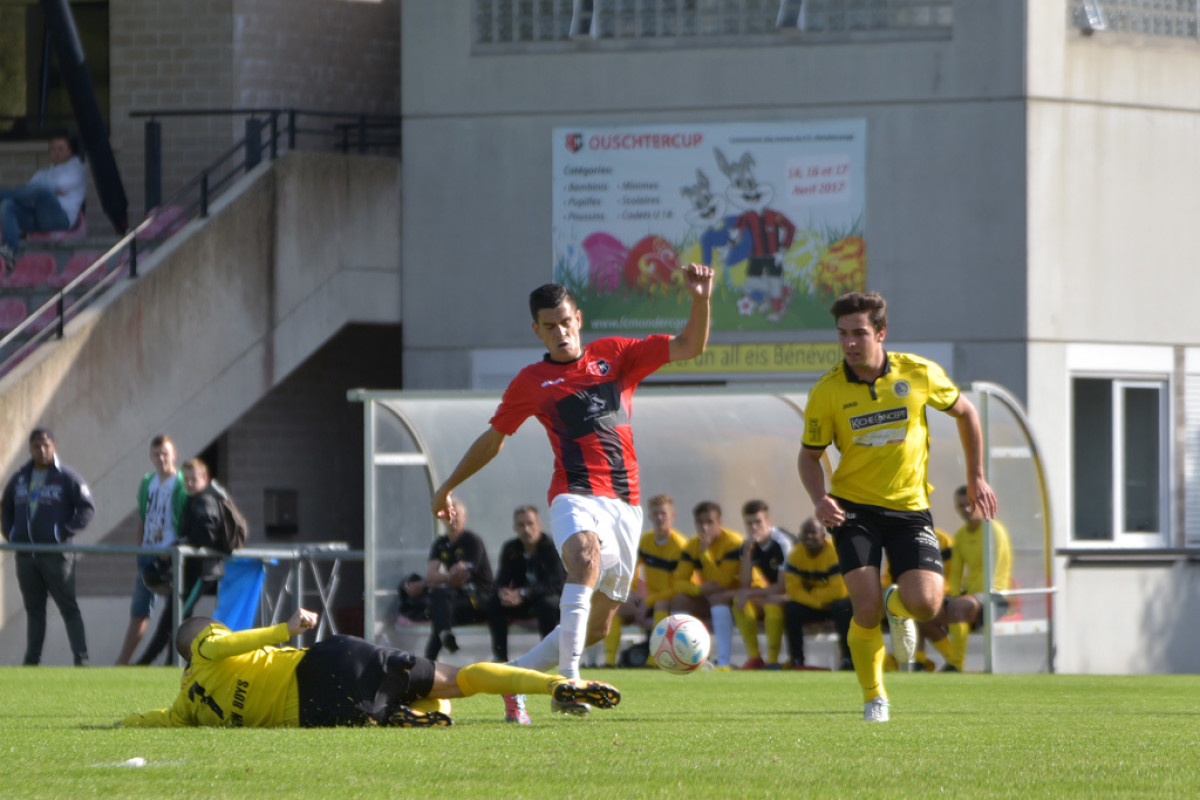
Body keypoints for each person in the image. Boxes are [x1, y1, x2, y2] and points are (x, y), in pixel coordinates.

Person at [430, 263, 714, 717]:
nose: (560, 332)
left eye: (565, 322)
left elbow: (689, 346)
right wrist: (447, 485)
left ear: (577, 318)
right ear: (537, 331)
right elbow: (493, 440)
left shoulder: (615, 355)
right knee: (584, 556)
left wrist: (700, 299)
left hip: (625, 505)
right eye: (549, 327)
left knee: (598, 626)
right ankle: (570, 680)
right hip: (574, 493)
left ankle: (515, 677)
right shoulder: (531, 382)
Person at [798, 291, 997, 722]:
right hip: (853, 510)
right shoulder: (827, 391)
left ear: (881, 333)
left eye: (860, 333)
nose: (850, 343)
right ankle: (875, 697)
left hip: (910, 508)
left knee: (927, 605)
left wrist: (976, 475)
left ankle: (899, 603)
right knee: (864, 607)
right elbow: (809, 456)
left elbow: (967, 414)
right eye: (843, 334)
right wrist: (820, 499)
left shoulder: (919, 373)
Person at [118, 607, 620, 728]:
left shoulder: (186, 703)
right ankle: (559, 682)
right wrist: (283, 630)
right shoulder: (207, 643)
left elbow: (151, 720)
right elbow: (229, 641)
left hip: (318, 712)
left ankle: (401, 719)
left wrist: (117, 722)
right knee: (460, 679)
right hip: (326, 660)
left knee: (420, 706)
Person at [0, 428, 95, 666]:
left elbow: (86, 509)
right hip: (26, 556)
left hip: (56, 555)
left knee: (68, 607)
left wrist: (60, 533)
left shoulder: (66, 476)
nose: (42, 450)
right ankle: (31, 662)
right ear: (30, 449)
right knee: (34, 610)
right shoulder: (21, 476)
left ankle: (81, 660)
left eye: (46, 445)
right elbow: (5, 507)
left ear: (54, 446)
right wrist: (11, 534)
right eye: (36, 446)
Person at [135, 457, 236, 666]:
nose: (189, 483)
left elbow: (206, 535)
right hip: (192, 570)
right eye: (187, 479)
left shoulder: (204, 501)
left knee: (174, 617)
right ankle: (168, 662)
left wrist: (179, 543)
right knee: (176, 616)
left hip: (203, 571)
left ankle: (155, 662)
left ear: (205, 479)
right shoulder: (195, 499)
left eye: (194, 479)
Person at [919, 485, 1014, 672]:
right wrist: (954, 594)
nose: (966, 509)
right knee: (924, 614)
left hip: (995, 596)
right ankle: (950, 657)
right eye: (961, 505)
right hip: (968, 597)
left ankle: (956, 664)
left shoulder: (993, 530)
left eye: (970, 504)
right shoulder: (961, 535)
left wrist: (971, 596)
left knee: (958, 607)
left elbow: (1000, 567)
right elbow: (955, 572)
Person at [116, 435, 188, 665]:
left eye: (165, 453)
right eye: (156, 454)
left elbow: (186, 522)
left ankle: (172, 661)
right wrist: (141, 546)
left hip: (170, 558)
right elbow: (143, 517)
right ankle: (123, 662)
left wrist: (173, 550)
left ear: (174, 454)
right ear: (151, 456)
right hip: (148, 554)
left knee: (174, 614)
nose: (161, 458)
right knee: (139, 610)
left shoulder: (181, 483)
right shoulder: (148, 482)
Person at [599, 493, 689, 667]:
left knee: (662, 604)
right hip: (650, 600)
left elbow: (680, 586)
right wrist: (629, 592)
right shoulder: (646, 541)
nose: (659, 517)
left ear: (672, 516)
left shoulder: (680, 545)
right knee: (615, 604)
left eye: (663, 513)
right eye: (655, 513)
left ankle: (653, 661)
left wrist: (649, 600)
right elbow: (632, 569)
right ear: (649, 516)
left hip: (674, 601)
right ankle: (609, 662)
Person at [672, 500, 756, 670]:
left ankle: (723, 662)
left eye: (709, 522)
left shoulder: (733, 542)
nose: (704, 527)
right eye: (700, 523)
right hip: (714, 596)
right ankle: (682, 658)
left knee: (718, 598)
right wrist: (698, 589)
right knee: (679, 600)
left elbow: (723, 582)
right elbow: (678, 582)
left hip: (743, 596)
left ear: (719, 523)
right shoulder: (692, 545)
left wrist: (705, 554)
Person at [487, 505, 565, 663]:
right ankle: (500, 657)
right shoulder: (511, 548)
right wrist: (503, 593)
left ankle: (550, 655)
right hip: (522, 601)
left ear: (539, 525)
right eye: (521, 525)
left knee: (546, 604)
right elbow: (501, 580)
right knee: (494, 603)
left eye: (530, 524)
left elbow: (556, 584)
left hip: (549, 601)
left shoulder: (552, 547)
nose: (526, 529)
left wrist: (523, 593)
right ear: (514, 528)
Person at [0, 134, 87, 272]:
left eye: (60, 149)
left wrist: (43, 191)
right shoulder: (44, 173)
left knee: (42, 190)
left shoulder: (77, 168)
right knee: (8, 205)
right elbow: (28, 192)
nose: (56, 152)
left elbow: (55, 184)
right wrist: (47, 191)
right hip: (40, 217)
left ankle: (2, 193)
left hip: (61, 220)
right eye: (53, 149)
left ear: (69, 151)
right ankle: (10, 252)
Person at [424, 498, 493, 660]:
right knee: (439, 603)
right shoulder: (440, 543)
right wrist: (448, 576)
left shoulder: (472, 541)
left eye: (456, 514)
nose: (452, 519)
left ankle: (428, 663)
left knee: (439, 610)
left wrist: (444, 578)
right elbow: (430, 578)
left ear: (464, 518)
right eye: (448, 515)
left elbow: (461, 578)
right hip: (457, 599)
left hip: (480, 599)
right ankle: (444, 638)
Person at [783, 517, 853, 671]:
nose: (809, 537)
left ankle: (848, 659)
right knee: (791, 609)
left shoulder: (834, 553)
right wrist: (818, 601)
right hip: (817, 605)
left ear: (823, 535)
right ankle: (797, 660)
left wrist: (812, 593)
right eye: (805, 533)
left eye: (813, 533)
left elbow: (839, 590)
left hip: (836, 605)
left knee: (844, 607)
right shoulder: (795, 555)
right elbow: (793, 591)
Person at [734, 499, 793, 669]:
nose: (754, 528)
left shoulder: (782, 542)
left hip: (799, 592)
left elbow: (783, 586)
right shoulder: (748, 544)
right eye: (749, 523)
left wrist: (749, 593)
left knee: (771, 601)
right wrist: (747, 554)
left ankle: (772, 660)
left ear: (768, 521)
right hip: (777, 594)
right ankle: (754, 657)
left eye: (758, 522)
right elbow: (745, 584)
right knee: (740, 601)